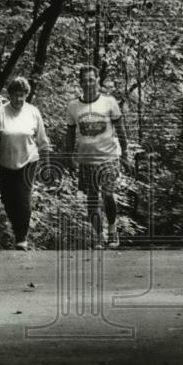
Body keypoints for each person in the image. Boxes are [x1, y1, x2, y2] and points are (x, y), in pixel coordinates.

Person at [65, 65, 130, 248]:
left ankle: (112, 230)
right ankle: (98, 237)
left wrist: (125, 153)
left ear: (98, 81)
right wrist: (69, 156)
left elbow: (120, 128)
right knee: (92, 199)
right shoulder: (73, 106)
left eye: (92, 79)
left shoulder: (109, 102)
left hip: (108, 157)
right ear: (80, 83)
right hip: (86, 159)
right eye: (85, 80)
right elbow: (70, 133)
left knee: (108, 194)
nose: (88, 83)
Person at [0, 76, 51, 250]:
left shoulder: (33, 112)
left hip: (29, 161)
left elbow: (43, 141)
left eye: (22, 95)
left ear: (26, 95)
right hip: (6, 163)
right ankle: (17, 232)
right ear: (10, 95)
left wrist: (47, 165)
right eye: (15, 95)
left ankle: (22, 238)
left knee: (23, 198)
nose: (18, 99)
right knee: (8, 200)